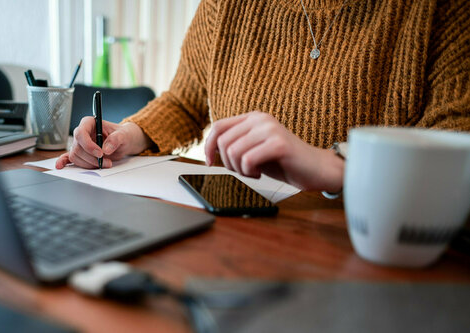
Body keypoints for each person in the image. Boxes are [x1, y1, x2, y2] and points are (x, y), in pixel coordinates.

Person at [56, 0, 469, 195]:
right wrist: (129, 133)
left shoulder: (442, 11)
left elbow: (457, 149)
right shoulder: (227, 6)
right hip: (237, 234)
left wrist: (336, 166)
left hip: (364, 253)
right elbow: (185, 100)